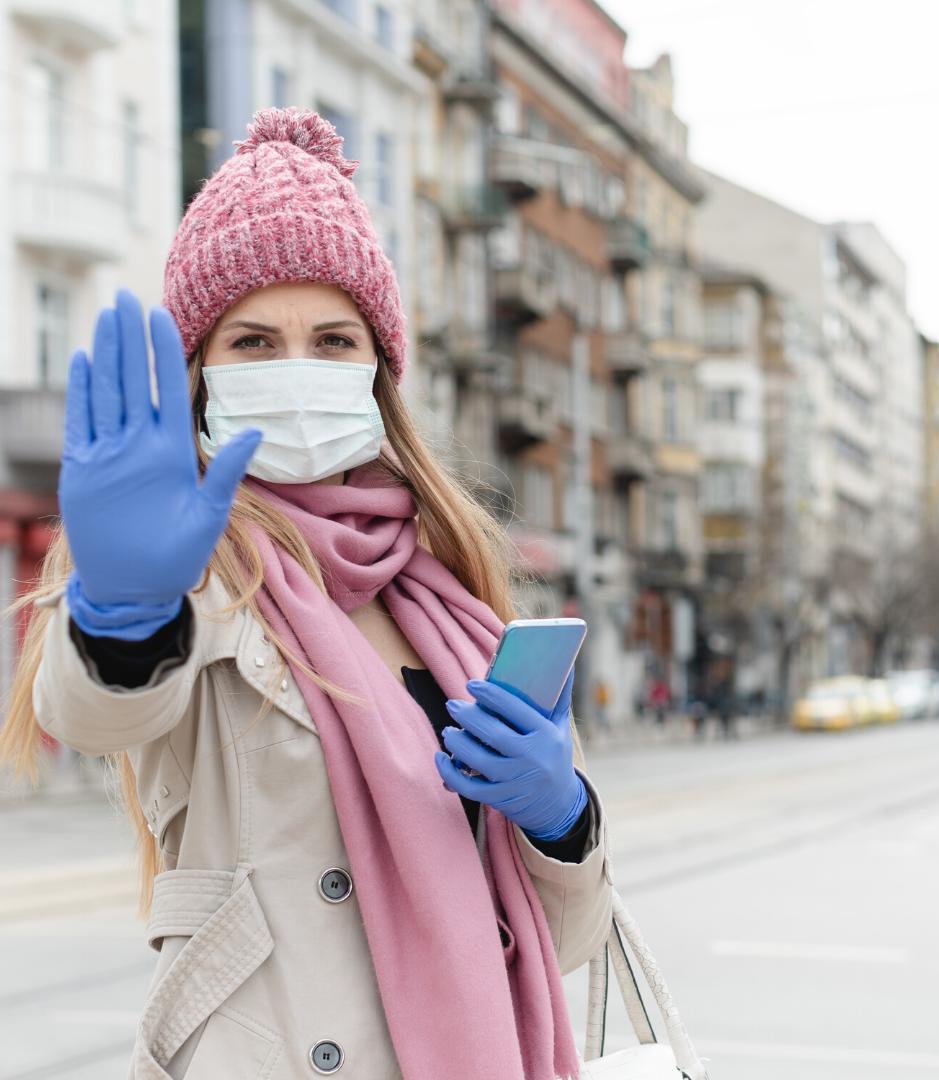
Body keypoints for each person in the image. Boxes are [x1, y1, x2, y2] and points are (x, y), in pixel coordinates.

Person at [0, 109, 611, 1080]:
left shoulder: (448, 589)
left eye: (333, 339)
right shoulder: (178, 559)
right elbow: (96, 714)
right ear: (199, 372)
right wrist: (122, 613)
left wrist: (561, 817)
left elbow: (561, 945)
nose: (297, 369)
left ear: (378, 373)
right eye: (253, 342)